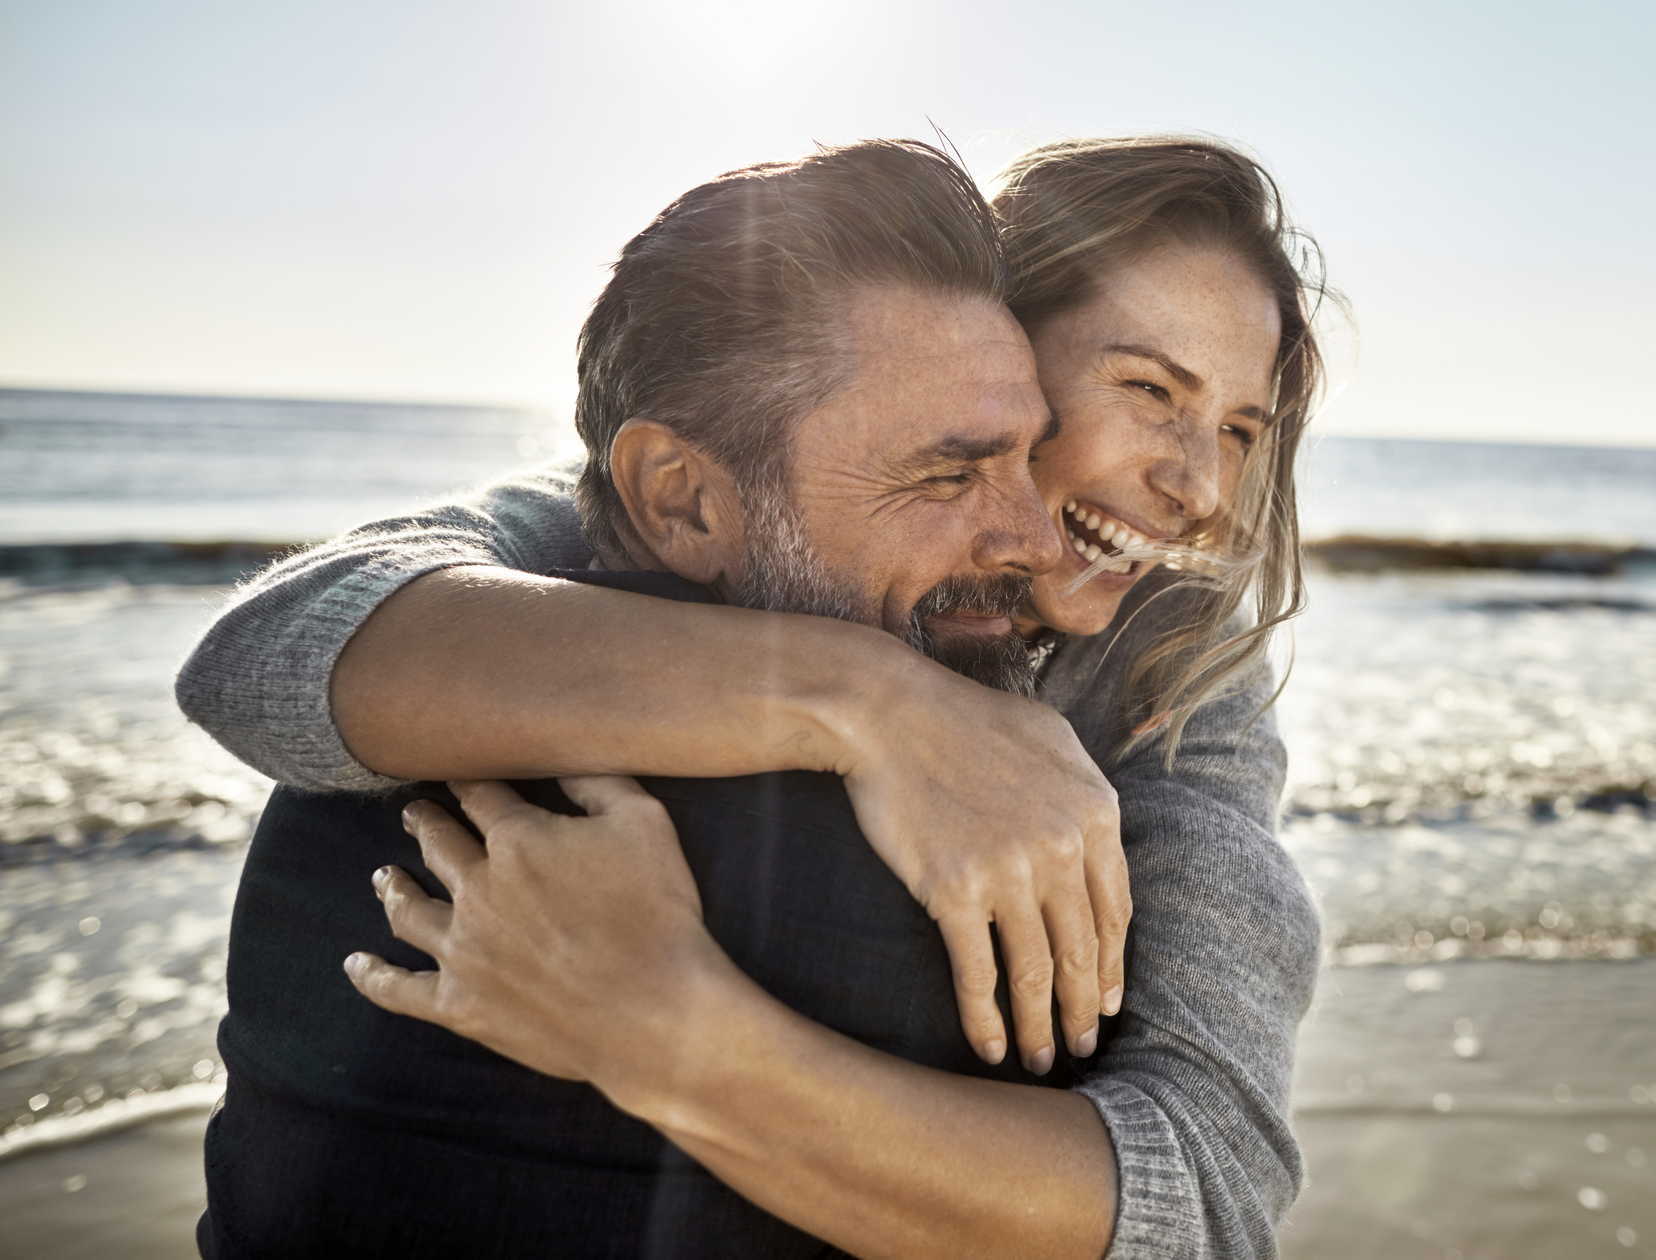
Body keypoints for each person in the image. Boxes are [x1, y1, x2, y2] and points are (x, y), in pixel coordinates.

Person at [179, 135, 1333, 1258]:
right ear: (1002, 346)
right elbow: (264, 659)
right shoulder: (636, 518)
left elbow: (1208, 1197)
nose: (1202, 489)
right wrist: (872, 700)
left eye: (1240, 429)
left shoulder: (1177, 672)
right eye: (1147, 388)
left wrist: (661, 1026)